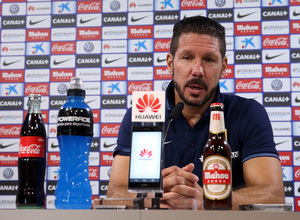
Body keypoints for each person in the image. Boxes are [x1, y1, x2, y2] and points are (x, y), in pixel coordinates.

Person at [107, 16, 285, 210]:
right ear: (169, 63)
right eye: (187, 57)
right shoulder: (142, 112)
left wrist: (207, 199)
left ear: (223, 67)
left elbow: (273, 195)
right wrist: (156, 196)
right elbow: (115, 194)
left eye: (209, 59)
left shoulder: (248, 113)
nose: (198, 70)